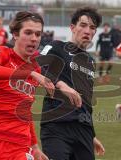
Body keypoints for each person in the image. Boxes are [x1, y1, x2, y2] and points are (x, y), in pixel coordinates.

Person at [0, 11, 54, 160]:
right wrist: (29, 74)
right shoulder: (2, 53)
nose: (33, 38)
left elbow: (25, 112)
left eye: (38, 34)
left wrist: (34, 146)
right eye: (28, 32)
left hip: (19, 147)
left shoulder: (35, 68)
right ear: (15, 34)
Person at [39, 7, 105, 160]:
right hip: (56, 126)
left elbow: (86, 102)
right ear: (72, 27)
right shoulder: (56, 47)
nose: (87, 30)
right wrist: (61, 84)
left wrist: (92, 135)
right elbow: (38, 66)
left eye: (92, 27)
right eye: (83, 25)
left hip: (83, 131)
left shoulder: (90, 61)